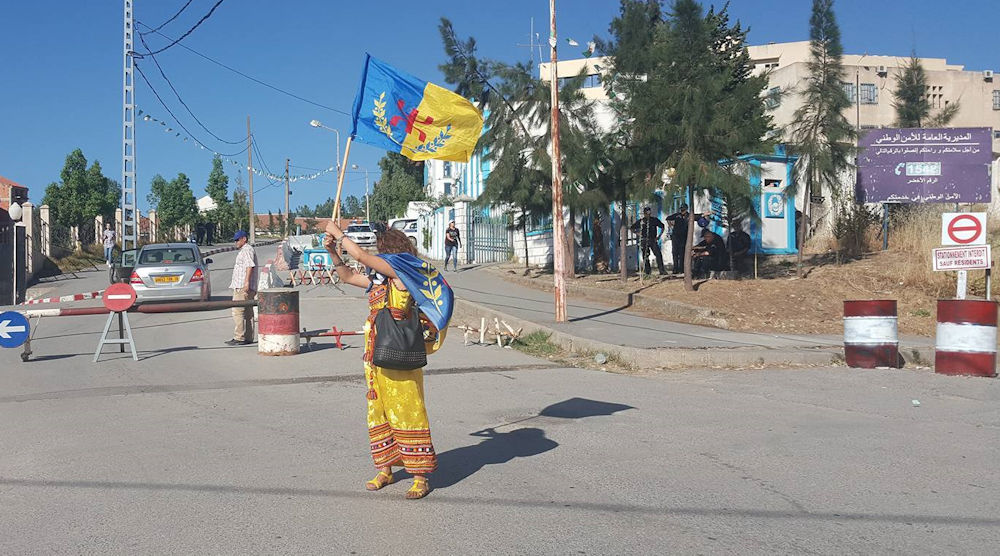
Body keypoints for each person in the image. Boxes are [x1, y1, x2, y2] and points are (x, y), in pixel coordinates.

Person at [323, 222, 452, 500]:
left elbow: (359, 257)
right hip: (375, 358)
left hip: (401, 356)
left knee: (408, 412)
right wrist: (333, 252)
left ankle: (420, 477)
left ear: (391, 253)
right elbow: (347, 276)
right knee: (377, 412)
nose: (377, 257)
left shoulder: (403, 272)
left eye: (381, 251)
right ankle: (386, 468)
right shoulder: (380, 281)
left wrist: (338, 232)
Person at [226, 230, 257, 346]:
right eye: (235, 240)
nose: (236, 242)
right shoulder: (246, 250)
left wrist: (246, 282)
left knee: (238, 311)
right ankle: (248, 337)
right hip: (246, 286)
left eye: (237, 240)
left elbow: (249, 265)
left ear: (244, 239)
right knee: (248, 312)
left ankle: (239, 337)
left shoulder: (247, 250)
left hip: (242, 286)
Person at [629, 206, 666, 275]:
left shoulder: (654, 220)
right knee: (645, 256)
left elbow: (662, 226)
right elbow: (632, 228)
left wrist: (659, 236)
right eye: (646, 213)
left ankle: (662, 270)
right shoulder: (641, 221)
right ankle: (647, 272)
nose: (648, 214)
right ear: (644, 213)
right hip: (644, 240)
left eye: (649, 213)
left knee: (658, 254)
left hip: (653, 240)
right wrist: (638, 234)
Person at [664, 204, 690, 274]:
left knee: (682, 253)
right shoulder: (677, 215)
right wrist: (671, 225)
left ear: (686, 209)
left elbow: (697, 216)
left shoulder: (689, 216)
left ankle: (681, 269)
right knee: (675, 253)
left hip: (683, 236)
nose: (682, 211)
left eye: (683, 210)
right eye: (681, 209)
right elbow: (668, 218)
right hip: (675, 236)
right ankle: (675, 269)